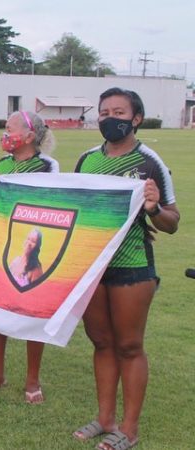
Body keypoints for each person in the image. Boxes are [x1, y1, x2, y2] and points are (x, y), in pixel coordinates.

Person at [72, 88, 179, 450]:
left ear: (136, 118)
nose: (108, 118)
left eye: (118, 111)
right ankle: (105, 419)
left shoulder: (150, 162)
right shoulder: (86, 160)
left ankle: (129, 430)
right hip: (93, 269)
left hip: (132, 267)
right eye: (103, 112)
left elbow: (172, 222)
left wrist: (153, 207)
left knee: (130, 346)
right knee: (101, 342)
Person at [0, 110, 59, 403]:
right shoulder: (3, 163)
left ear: (29, 136)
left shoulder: (47, 166)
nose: (5, 134)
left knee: (32, 312)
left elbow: (50, 206)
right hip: (0, 248)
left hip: (32, 247)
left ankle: (32, 380)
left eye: (10, 129)